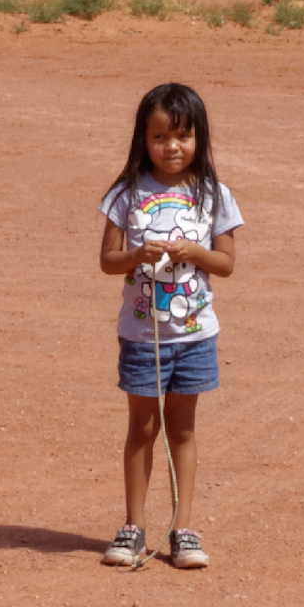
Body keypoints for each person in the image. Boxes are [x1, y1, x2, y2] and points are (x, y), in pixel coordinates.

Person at [97, 81, 244, 569]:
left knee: (182, 428)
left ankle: (183, 530)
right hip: (143, 335)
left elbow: (225, 264)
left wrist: (197, 252)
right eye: (159, 137)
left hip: (196, 335)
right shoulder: (125, 193)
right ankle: (132, 529)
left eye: (181, 136)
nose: (171, 147)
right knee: (142, 426)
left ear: (198, 137)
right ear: (143, 138)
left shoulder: (214, 195)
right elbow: (107, 261)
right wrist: (137, 254)